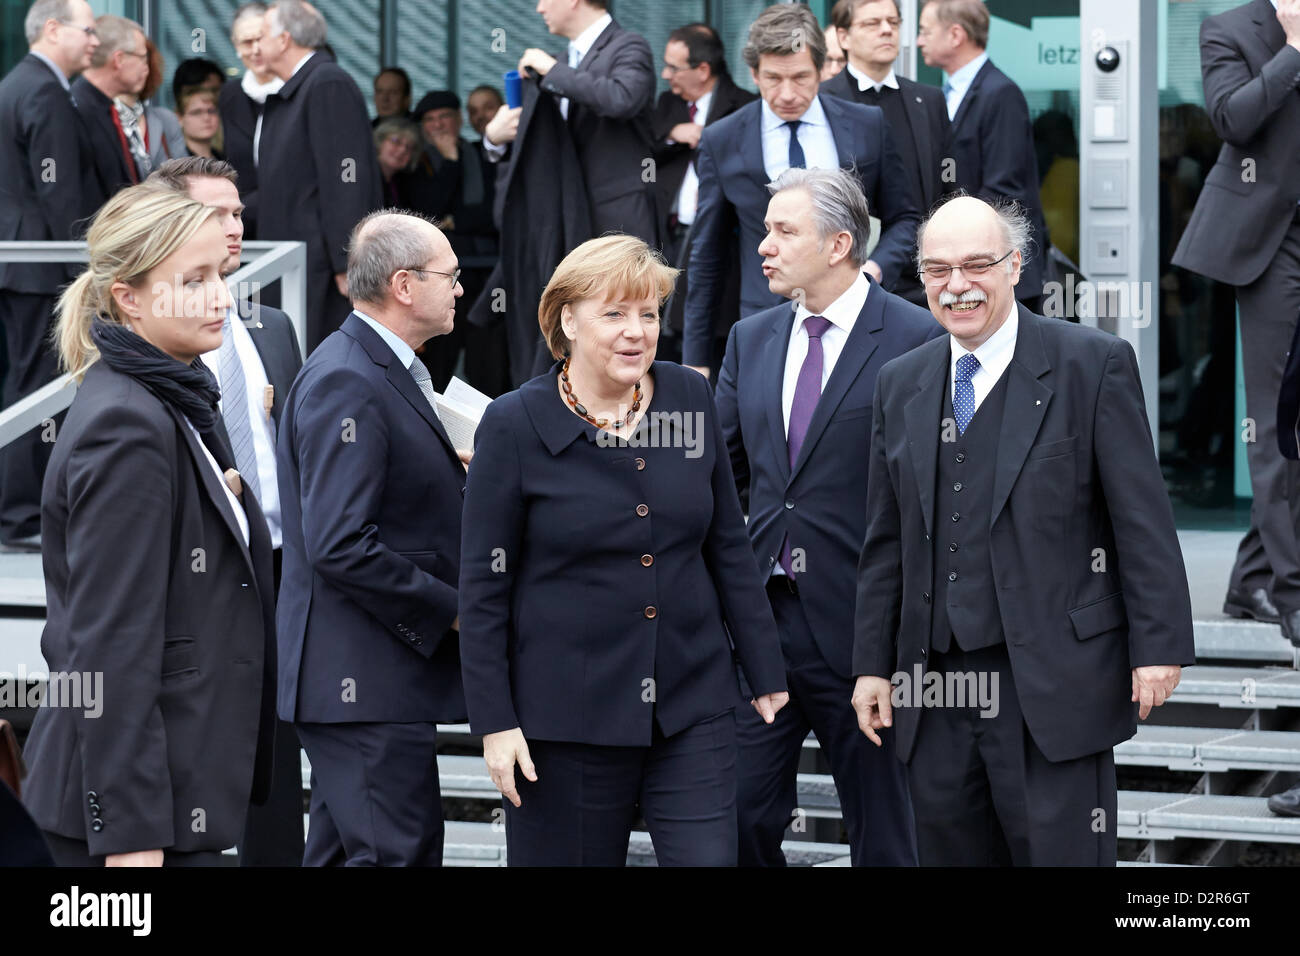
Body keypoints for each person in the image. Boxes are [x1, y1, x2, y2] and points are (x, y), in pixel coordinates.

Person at [850, 195, 1195, 865]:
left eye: (977, 265)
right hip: (934, 686)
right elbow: (886, 541)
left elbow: (1141, 518)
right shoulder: (902, 383)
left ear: (1015, 267)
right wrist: (871, 667)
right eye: (938, 269)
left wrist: (1159, 645)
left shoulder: (1091, 364)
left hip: (1053, 684)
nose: (957, 285)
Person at [459, 234, 789, 866]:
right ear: (567, 320)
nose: (637, 331)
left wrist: (764, 668)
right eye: (614, 313)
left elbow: (726, 542)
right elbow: (483, 589)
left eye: (649, 313)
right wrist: (495, 724)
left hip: (693, 703)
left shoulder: (688, 396)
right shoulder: (514, 423)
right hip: (561, 723)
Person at [21, 184, 278, 867]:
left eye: (219, 277)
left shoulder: (171, 395)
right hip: (136, 827)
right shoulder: (126, 424)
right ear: (128, 297)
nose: (221, 298)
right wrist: (132, 837)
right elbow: (110, 646)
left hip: (180, 798)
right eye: (191, 281)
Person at [716, 167, 941, 867]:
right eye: (765, 230)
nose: (764, 246)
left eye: (784, 231)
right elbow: (721, 474)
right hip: (763, 629)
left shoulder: (917, 338)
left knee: (887, 834)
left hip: (868, 635)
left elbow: (936, 495)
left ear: (840, 242)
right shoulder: (750, 340)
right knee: (737, 820)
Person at [276, 211, 467, 866]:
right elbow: (339, 543)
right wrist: (453, 608)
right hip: (360, 678)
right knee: (398, 854)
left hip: (364, 680)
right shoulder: (347, 378)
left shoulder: (367, 367)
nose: (462, 290)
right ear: (406, 286)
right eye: (452, 276)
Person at [147, 155, 306, 865]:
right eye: (216, 215)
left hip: (280, 566)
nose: (235, 227)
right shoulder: (156, 342)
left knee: (276, 752)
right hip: (200, 575)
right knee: (210, 747)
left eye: (238, 213)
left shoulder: (270, 326)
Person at [1173, 0, 1300, 819]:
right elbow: (1232, 117)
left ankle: (1252, 578)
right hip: (1271, 245)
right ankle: (1291, 589)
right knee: (1281, 426)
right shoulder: (1232, 27)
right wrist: (1294, 49)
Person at [682, 4, 920, 379]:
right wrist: (695, 358)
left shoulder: (867, 124)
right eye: (774, 78)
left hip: (857, 318)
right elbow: (706, 254)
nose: (788, 93)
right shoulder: (723, 139)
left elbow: (906, 217)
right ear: (754, 74)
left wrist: (874, 269)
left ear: (823, 69)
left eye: (801, 77)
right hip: (763, 323)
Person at [0, 0, 98, 552]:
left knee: (28, 382)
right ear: (54, 29)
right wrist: (82, 266)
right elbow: (60, 193)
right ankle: (19, 518)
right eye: (87, 31)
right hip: (41, 265)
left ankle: (18, 514)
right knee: (35, 389)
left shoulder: (19, 82)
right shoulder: (43, 89)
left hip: (23, 259)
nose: (94, 41)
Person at [254, 0, 381, 352]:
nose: (255, 45)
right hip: (295, 261)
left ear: (284, 39)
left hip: (322, 272)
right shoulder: (300, 87)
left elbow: (346, 180)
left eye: (261, 35)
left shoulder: (327, 82)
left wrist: (348, 262)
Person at [483, 0, 658, 244]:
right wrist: (494, 140)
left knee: (627, 283)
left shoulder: (629, 45)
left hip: (617, 215)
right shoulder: (560, 63)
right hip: (564, 217)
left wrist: (552, 70)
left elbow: (623, 99)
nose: (539, 9)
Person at [917, 0, 1050, 308]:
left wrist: (950, 233)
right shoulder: (946, 95)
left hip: (994, 274)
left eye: (925, 31)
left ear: (955, 35)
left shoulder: (1000, 93)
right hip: (968, 270)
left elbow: (1004, 188)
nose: (919, 40)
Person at [822, 0, 949, 308]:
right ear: (844, 37)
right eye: (872, 23)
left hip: (923, 276)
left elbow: (947, 185)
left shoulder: (928, 100)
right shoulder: (822, 100)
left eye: (893, 22)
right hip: (850, 277)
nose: (886, 31)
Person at [651, 23, 755, 364]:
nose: (666, 74)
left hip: (720, 241)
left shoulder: (744, 105)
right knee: (662, 328)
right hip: (668, 238)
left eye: (673, 67)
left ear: (703, 69)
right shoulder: (666, 106)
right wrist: (672, 133)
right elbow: (637, 150)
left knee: (711, 327)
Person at [408, 90, 501, 393]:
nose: (438, 125)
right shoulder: (415, 163)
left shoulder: (483, 154)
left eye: (445, 117)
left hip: (485, 277)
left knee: (487, 364)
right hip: (438, 279)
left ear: (459, 119)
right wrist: (448, 162)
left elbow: (494, 214)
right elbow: (425, 214)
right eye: (430, 120)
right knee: (438, 365)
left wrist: (455, 221)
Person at [219, 1, 283, 239]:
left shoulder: (299, 91)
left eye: (261, 39)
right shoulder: (230, 96)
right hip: (244, 227)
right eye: (247, 42)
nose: (256, 49)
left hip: (293, 222)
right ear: (236, 47)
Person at [70, 14, 150, 203]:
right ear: (119, 59)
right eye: (142, 57)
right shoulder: (76, 111)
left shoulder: (103, 106)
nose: (146, 68)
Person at [115, 36, 186, 174]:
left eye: (146, 61)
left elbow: (183, 175)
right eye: (135, 60)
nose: (143, 68)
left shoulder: (166, 119)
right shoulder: (101, 115)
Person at [373, 116, 420, 207]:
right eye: (396, 141)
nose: (403, 150)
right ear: (379, 142)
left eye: (409, 147)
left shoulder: (403, 184)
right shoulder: (362, 177)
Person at [177, 85, 223, 159]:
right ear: (180, 118)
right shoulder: (175, 163)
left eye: (211, 111)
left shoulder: (224, 158)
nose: (206, 118)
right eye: (197, 112)